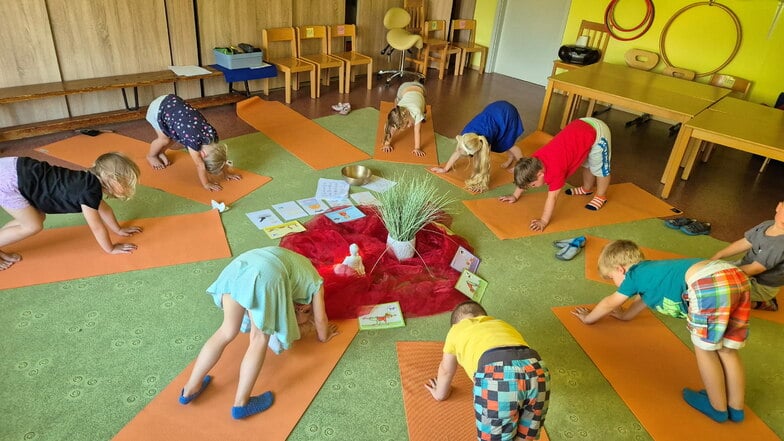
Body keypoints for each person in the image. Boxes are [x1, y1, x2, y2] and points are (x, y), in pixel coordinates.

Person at [572, 240, 750, 423]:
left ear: (620, 270)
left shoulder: (633, 275)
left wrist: (588, 318)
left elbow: (610, 302)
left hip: (707, 283)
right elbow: (642, 300)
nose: (615, 284)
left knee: (705, 350)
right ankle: (736, 409)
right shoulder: (653, 273)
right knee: (727, 349)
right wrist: (624, 316)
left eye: (612, 278)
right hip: (736, 277)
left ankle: (717, 408)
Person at [179, 247, 340, 420]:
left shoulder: (299, 267)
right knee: (258, 339)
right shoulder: (317, 282)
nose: (302, 310)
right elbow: (321, 319)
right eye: (305, 312)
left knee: (225, 331)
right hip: (266, 275)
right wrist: (325, 336)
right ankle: (241, 404)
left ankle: (190, 389)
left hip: (238, 268)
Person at [425, 301, 550, 440]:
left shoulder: (456, 330)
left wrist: (440, 393)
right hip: (537, 370)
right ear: (484, 317)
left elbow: (445, 370)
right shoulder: (502, 324)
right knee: (528, 435)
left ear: (455, 323)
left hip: (498, 375)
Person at [0, 153, 142, 270]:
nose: (128, 187)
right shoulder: (89, 192)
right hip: (9, 180)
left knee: (36, 217)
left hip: (16, 169)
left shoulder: (89, 181)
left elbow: (104, 209)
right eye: (125, 182)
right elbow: (97, 227)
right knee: (32, 225)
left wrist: (118, 230)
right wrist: (110, 249)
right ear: (111, 179)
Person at [500, 117, 611, 232]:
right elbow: (525, 176)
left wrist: (543, 220)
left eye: (533, 185)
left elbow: (552, 197)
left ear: (540, 174)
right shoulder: (533, 161)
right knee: (587, 164)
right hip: (581, 128)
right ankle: (586, 189)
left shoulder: (555, 172)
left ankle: (601, 195)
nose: (533, 187)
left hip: (597, 132)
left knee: (600, 169)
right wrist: (515, 196)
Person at [145, 94, 241, 191]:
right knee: (165, 139)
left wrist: (226, 173)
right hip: (158, 109)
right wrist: (206, 184)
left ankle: (160, 151)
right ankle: (151, 156)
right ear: (202, 155)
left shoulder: (213, 137)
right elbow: (200, 166)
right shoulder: (194, 145)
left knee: (173, 137)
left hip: (171, 102)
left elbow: (221, 159)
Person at [431, 101, 524, 193]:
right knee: (503, 143)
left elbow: (483, 164)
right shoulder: (466, 135)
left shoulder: (485, 140)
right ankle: (511, 158)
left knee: (508, 144)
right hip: (494, 112)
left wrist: (481, 183)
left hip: (506, 114)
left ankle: (522, 165)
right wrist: (445, 169)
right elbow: (458, 152)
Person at [710, 200, 784, 311]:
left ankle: (761, 303)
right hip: (745, 266)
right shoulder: (767, 224)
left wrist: (723, 275)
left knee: (717, 296)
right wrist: (718, 255)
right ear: (779, 206)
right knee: (710, 271)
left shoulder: (780, 244)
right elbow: (746, 242)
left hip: (761, 286)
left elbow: (755, 269)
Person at [382, 81, 427, 157]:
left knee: (423, 108)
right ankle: (396, 101)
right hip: (404, 89)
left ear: (409, 117)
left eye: (408, 123)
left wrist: (417, 148)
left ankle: (423, 110)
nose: (409, 126)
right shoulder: (401, 107)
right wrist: (386, 144)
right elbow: (389, 126)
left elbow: (417, 131)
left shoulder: (417, 112)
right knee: (396, 115)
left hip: (420, 88)